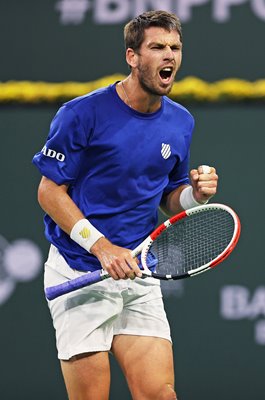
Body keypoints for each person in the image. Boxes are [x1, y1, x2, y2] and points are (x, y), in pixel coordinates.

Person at [33, 10, 218, 400]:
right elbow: (49, 192)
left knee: (160, 395)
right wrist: (101, 248)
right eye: (156, 47)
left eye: (175, 48)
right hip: (78, 271)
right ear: (132, 56)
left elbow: (172, 196)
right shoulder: (82, 113)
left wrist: (194, 195)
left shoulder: (181, 122)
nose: (169, 56)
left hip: (138, 272)